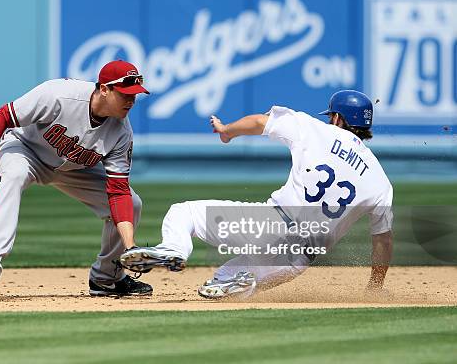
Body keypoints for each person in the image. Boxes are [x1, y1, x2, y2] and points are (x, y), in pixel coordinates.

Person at [120, 90, 394, 299]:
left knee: (184, 212)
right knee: (220, 284)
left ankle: (174, 250)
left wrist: (226, 132)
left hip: (269, 225)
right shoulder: (381, 183)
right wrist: (375, 287)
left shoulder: (316, 129)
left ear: (337, 118)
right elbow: (383, 242)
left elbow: (258, 122)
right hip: (297, 259)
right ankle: (243, 280)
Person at [0, 60, 153, 300]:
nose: (131, 101)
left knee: (132, 203)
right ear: (104, 89)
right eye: (125, 94)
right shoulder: (59, 95)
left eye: (135, 95)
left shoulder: (121, 132)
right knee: (15, 176)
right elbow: (3, 116)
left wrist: (130, 247)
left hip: (72, 168)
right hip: (25, 149)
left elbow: (118, 191)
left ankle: (106, 279)